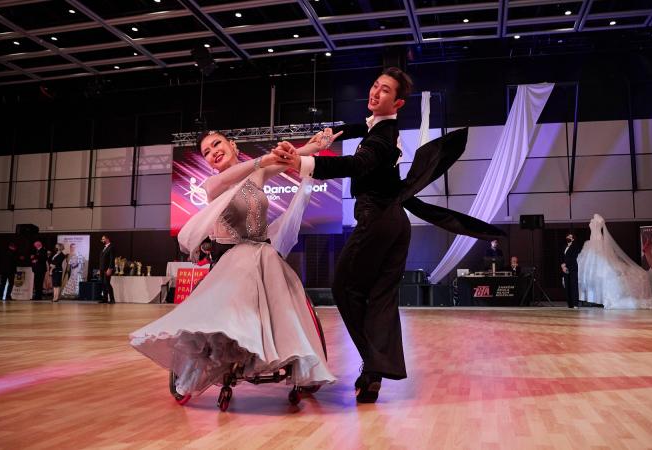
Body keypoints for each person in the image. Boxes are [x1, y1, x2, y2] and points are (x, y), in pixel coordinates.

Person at [273, 67, 500, 403]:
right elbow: (358, 127)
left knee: (344, 288)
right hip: (396, 223)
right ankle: (374, 372)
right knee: (380, 297)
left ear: (398, 101)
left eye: (384, 91)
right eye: (375, 86)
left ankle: (374, 364)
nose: (375, 92)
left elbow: (357, 164)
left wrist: (303, 164)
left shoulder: (380, 137)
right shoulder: (380, 128)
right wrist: (327, 136)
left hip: (377, 218)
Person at [130, 128, 338, 401]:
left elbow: (293, 157)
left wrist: (315, 145)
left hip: (264, 254)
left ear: (232, 144)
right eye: (206, 151)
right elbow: (231, 177)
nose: (213, 151)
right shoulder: (213, 186)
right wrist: (261, 161)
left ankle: (288, 355)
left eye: (217, 144)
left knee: (288, 299)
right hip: (234, 258)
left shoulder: (258, 174)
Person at [577, 214, 652, 309]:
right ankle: (591, 299)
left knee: (599, 270)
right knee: (591, 272)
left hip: (598, 241)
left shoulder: (599, 220)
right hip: (593, 243)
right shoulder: (595, 221)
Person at [560, 232, 581, 309]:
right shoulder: (564, 246)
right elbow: (562, 256)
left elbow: (573, 257)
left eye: (570, 236)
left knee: (573, 286)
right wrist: (562, 265)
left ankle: (575, 303)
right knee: (567, 286)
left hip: (572, 268)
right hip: (565, 268)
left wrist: (565, 264)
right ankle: (570, 304)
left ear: (573, 238)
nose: (568, 237)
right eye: (568, 236)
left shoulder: (575, 246)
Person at [99, 235, 116, 304]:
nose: (102, 241)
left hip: (107, 269)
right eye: (102, 239)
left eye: (103, 239)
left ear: (107, 239)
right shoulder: (104, 248)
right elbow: (102, 259)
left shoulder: (111, 247)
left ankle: (112, 299)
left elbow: (112, 259)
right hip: (102, 269)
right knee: (103, 283)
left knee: (107, 283)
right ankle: (105, 299)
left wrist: (110, 268)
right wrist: (99, 269)